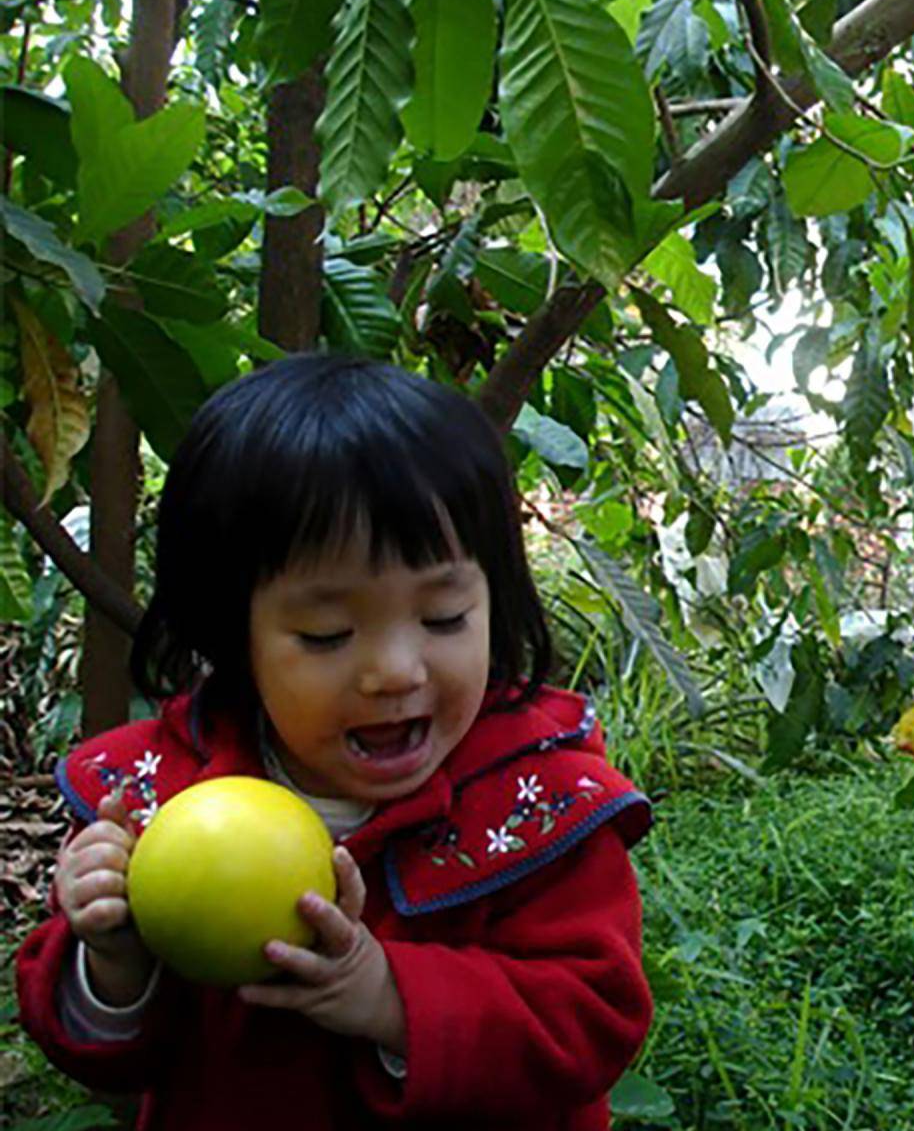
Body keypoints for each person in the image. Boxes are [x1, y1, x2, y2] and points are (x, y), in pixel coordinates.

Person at [16, 354, 654, 1129]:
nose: (394, 670)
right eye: (326, 634)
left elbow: (593, 1021)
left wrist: (387, 995)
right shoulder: (163, 797)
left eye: (445, 618)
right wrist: (113, 958)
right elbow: (100, 1050)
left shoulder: (533, 797)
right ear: (233, 632)